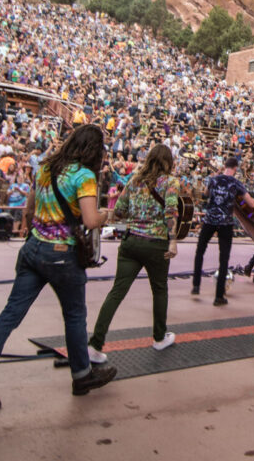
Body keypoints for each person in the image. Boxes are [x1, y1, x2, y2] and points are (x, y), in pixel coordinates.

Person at [0, 124, 116, 416]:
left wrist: (40, 234)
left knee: (8, 317)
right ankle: (82, 376)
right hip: (62, 255)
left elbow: (30, 209)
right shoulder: (85, 176)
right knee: (74, 316)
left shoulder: (46, 168)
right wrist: (110, 214)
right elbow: (91, 220)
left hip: (32, 249)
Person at [89, 144, 181, 361]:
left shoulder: (134, 180)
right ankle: (159, 337)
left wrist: (137, 213)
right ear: (168, 162)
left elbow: (119, 211)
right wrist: (173, 241)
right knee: (159, 290)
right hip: (156, 243)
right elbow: (170, 212)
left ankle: (95, 343)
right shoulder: (171, 182)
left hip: (131, 242)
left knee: (116, 292)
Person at [191, 155, 245, 306]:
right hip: (225, 223)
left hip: (209, 219)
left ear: (225, 166)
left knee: (200, 251)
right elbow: (250, 202)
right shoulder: (236, 183)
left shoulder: (213, 179)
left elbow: (205, 195)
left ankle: (196, 285)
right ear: (235, 169)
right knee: (223, 259)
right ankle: (218, 296)